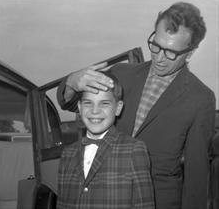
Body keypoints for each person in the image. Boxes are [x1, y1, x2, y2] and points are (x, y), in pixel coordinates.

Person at [57, 2, 216, 209]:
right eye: (156, 46)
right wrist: (71, 82)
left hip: (159, 201)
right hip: (106, 194)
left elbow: (197, 174)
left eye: (171, 53)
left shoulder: (201, 98)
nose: (159, 58)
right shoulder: (123, 73)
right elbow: (73, 104)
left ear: (191, 52)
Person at [57, 72, 155, 209]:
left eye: (104, 103)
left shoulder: (134, 149)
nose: (95, 111)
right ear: (79, 107)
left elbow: (145, 204)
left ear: (118, 108)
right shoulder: (67, 154)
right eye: (88, 103)